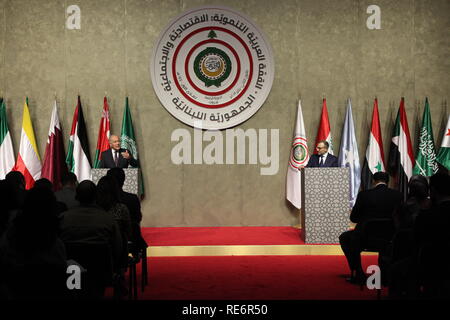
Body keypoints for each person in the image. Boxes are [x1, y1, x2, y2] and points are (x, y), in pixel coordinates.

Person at [339, 172, 403, 283]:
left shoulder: (364, 195)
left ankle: (358, 271)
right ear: (387, 182)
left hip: (364, 239)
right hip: (389, 238)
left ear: (373, 181)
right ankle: (385, 274)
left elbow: (353, 218)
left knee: (344, 237)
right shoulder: (398, 196)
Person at [107, 168, 148, 254]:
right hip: (130, 238)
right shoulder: (132, 199)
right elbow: (138, 218)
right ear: (123, 180)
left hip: (107, 240)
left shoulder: (102, 201)